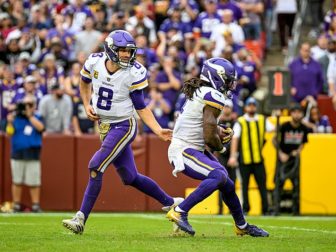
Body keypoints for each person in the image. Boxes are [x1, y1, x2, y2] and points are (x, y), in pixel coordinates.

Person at [62, 30, 182, 234]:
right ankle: (173, 204)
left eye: (129, 51)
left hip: (124, 125)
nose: (126, 55)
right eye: (122, 51)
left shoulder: (134, 72)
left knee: (95, 166)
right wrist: (86, 103)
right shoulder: (94, 62)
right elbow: (84, 82)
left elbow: (141, 107)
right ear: (110, 49)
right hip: (105, 125)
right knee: (130, 177)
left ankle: (80, 218)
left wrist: (157, 129)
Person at [166, 58, 269, 237]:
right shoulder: (212, 95)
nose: (230, 85)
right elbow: (208, 135)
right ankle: (180, 211)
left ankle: (242, 225)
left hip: (191, 147)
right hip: (184, 149)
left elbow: (203, 123)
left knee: (227, 183)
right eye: (228, 80)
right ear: (216, 77)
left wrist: (219, 130)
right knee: (219, 175)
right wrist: (221, 147)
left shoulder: (204, 92)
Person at [228, 97, 273, 215]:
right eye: (250, 105)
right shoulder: (241, 121)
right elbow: (235, 139)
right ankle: (246, 208)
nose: (252, 107)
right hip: (244, 160)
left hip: (258, 159)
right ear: (246, 107)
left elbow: (274, 129)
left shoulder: (263, 120)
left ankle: (266, 209)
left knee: (262, 185)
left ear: (256, 107)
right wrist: (233, 156)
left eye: (253, 105)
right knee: (245, 186)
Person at [6, 94, 44, 213]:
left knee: (34, 181)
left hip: (32, 153)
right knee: (17, 180)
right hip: (17, 151)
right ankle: (16, 205)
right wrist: (10, 122)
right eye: (25, 104)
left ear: (34, 106)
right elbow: (9, 133)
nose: (27, 107)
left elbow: (41, 128)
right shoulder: (16, 117)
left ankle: (35, 205)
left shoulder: (37, 116)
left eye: (30, 104)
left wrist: (30, 116)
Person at [273, 104, 310, 215]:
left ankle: (296, 211)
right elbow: (274, 140)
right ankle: (276, 210)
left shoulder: (304, 128)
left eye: (299, 112)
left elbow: (303, 143)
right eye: (295, 112)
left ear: (302, 114)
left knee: (296, 184)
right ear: (291, 113)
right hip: (283, 159)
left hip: (295, 160)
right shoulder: (284, 126)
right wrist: (280, 153)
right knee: (279, 184)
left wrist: (298, 151)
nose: (297, 115)